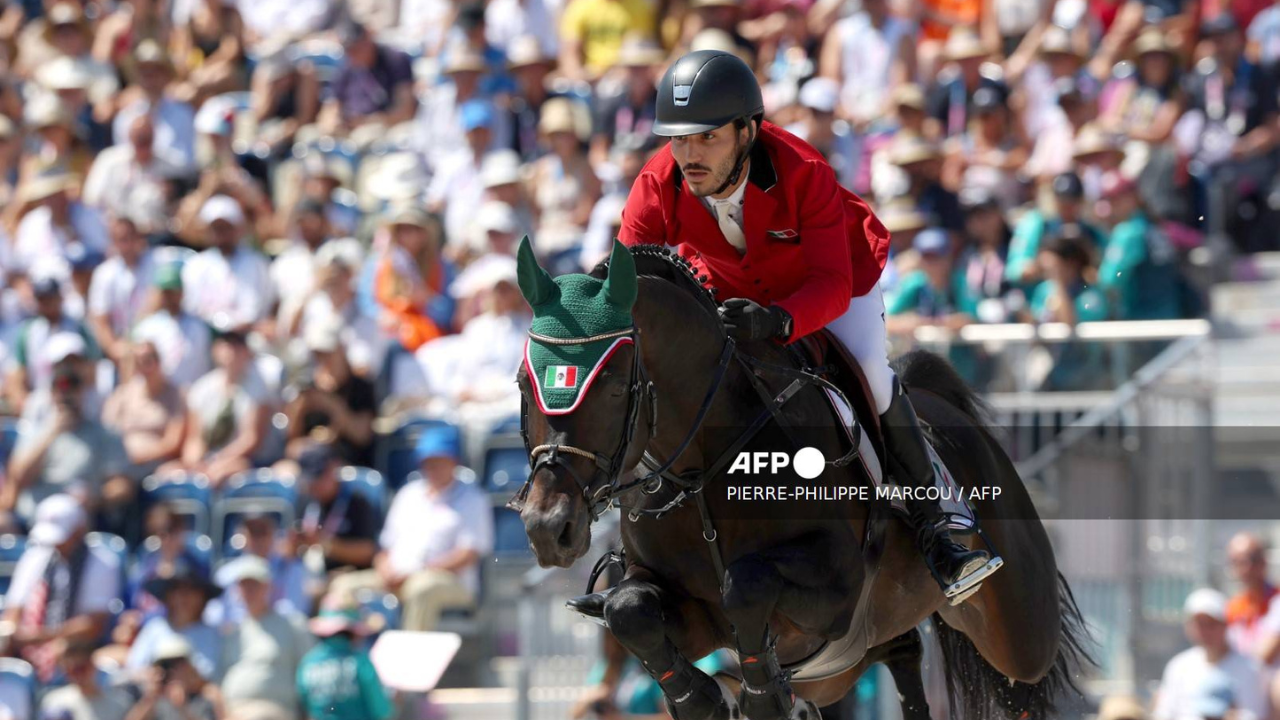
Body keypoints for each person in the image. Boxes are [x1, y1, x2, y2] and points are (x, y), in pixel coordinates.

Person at [614, 51, 995, 604]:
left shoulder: (803, 171)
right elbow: (626, 284)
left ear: (748, 131)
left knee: (871, 373)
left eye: (707, 138)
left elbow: (831, 283)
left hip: (832, 285)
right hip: (734, 290)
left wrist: (781, 319)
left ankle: (941, 526)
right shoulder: (658, 181)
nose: (689, 156)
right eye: (679, 140)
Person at [329, 424, 493, 632]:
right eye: (428, 461)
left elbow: (468, 554)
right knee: (342, 586)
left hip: (450, 582)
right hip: (397, 577)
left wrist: (418, 572)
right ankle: (350, 655)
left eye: (439, 461)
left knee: (421, 588)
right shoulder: (408, 494)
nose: (432, 467)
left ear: (454, 461)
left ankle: (410, 660)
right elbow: (385, 546)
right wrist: (385, 569)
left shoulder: (473, 499)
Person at [2, 495, 123, 683]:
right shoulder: (35, 557)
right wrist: (13, 633)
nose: (56, 544)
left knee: (63, 649)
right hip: (27, 642)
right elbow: (14, 611)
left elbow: (93, 625)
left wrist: (41, 637)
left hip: (76, 646)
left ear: (79, 530)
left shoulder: (103, 562)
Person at [217, 556, 312, 720]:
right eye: (244, 585)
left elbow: (310, 670)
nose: (249, 591)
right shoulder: (232, 632)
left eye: (254, 585)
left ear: (268, 587)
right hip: (232, 711)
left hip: (273, 711)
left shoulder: (292, 624)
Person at [1153, 589, 1268, 720]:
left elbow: (1255, 714)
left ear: (1225, 624)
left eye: (1210, 624)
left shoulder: (1250, 668)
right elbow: (1164, 714)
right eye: (1198, 624)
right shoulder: (1179, 666)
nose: (1204, 631)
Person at [287, 444, 379, 575]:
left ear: (333, 469)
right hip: (308, 576)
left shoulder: (356, 502)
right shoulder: (305, 501)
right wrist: (294, 544)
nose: (314, 485)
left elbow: (369, 552)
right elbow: (288, 550)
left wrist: (326, 544)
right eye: (310, 480)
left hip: (347, 575)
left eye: (319, 477)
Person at [296, 598, 393, 720]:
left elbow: (304, 704)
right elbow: (381, 709)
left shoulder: (309, 663)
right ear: (353, 633)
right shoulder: (359, 662)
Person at [102, 341, 187, 478]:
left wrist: (138, 457)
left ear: (158, 361)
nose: (143, 367)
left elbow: (172, 442)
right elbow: (107, 430)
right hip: (121, 462)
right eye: (138, 362)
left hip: (155, 465)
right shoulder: (124, 394)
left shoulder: (176, 395)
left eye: (147, 360)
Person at [126, 562, 222, 680]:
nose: (183, 597)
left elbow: (209, 674)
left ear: (203, 597)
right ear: (167, 596)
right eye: (177, 590)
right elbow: (133, 668)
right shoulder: (155, 628)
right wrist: (153, 677)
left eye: (191, 590)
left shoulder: (211, 634)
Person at [126, 635, 226, 720]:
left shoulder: (206, 694)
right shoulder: (154, 697)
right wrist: (149, 699)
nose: (172, 670)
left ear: (189, 665)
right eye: (166, 665)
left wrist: (182, 707)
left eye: (177, 663)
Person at [38, 641, 132, 720]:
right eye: (70, 669)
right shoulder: (55, 702)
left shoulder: (120, 702)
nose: (77, 675)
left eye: (81, 668)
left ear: (92, 665)